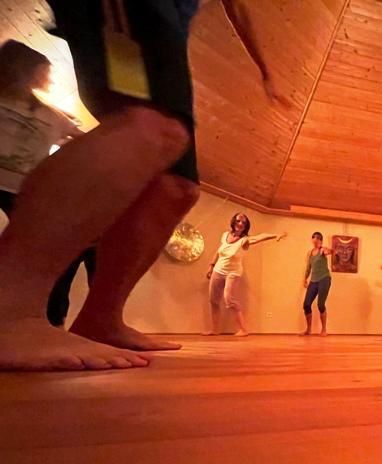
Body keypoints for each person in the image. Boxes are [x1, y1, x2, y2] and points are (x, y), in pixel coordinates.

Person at [0, 0, 286, 370]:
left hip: (165, 26)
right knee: (151, 126)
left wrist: (265, 66)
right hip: (138, 9)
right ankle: (10, 313)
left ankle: (101, 319)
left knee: (176, 186)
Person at [0, 40, 94, 330]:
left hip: (24, 191)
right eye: (45, 70)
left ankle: (50, 322)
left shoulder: (50, 115)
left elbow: (84, 140)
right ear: (26, 68)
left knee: (50, 251)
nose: (49, 77)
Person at [205, 213, 285, 336]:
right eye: (238, 221)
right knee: (213, 300)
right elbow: (219, 251)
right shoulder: (225, 235)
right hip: (218, 270)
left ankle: (243, 329)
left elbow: (260, 237)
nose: (240, 224)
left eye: (244, 223)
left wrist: (275, 235)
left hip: (233, 273)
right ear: (234, 222)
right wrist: (211, 266)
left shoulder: (244, 240)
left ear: (246, 226)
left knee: (228, 299)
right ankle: (215, 330)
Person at [302, 232, 332, 336]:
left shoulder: (322, 250)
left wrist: (326, 249)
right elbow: (308, 267)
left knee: (320, 304)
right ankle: (308, 329)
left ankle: (324, 330)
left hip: (324, 279)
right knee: (306, 304)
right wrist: (305, 279)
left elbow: (330, 251)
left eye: (318, 238)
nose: (316, 239)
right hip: (313, 280)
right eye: (314, 237)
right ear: (312, 239)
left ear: (321, 240)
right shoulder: (310, 253)